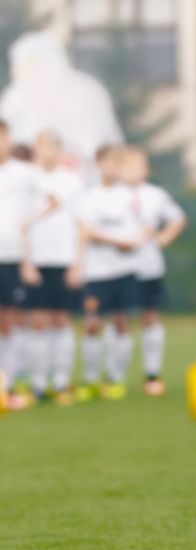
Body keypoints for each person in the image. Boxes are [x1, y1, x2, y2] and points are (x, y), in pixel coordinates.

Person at [76, 145, 145, 401]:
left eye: (116, 163)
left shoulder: (131, 196)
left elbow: (141, 230)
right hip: (97, 271)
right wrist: (116, 240)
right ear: (99, 165)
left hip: (124, 269)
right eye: (106, 162)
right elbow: (85, 232)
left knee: (121, 322)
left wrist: (131, 241)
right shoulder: (88, 197)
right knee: (92, 323)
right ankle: (90, 378)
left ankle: (116, 377)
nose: (111, 168)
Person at [20, 129, 83, 405]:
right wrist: (27, 260)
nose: (47, 152)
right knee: (38, 322)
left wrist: (77, 263)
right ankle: (38, 382)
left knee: (61, 320)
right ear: (36, 150)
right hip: (36, 260)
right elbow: (19, 224)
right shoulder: (26, 181)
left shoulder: (72, 182)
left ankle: (61, 380)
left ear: (59, 150)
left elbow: (81, 223)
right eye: (42, 147)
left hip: (63, 259)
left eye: (52, 147)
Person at [121, 147, 187, 396]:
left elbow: (178, 218)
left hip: (148, 267)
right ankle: (117, 377)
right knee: (121, 320)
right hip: (118, 268)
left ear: (146, 170)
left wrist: (162, 239)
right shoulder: (112, 195)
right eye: (128, 166)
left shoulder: (155, 195)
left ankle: (152, 374)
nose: (133, 172)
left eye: (138, 166)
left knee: (150, 317)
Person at [0, 118, 37, 410]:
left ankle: (8, 388)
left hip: (10, 258)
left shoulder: (24, 174)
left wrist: (27, 253)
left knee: (8, 325)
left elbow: (57, 200)